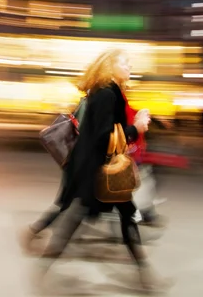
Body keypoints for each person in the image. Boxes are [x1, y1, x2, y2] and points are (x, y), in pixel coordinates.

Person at [34, 49, 163, 290]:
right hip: (98, 172)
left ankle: (145, 276)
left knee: (123, 216)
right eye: (125, 63)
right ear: (109, 67)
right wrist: (136, 128)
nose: (130, 67)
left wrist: (136, 123)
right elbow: (104, 137)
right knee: (77, 219)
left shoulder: (106, 92)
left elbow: (106, 130)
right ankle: (43, 267)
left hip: (97, 170)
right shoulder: (107, 95)